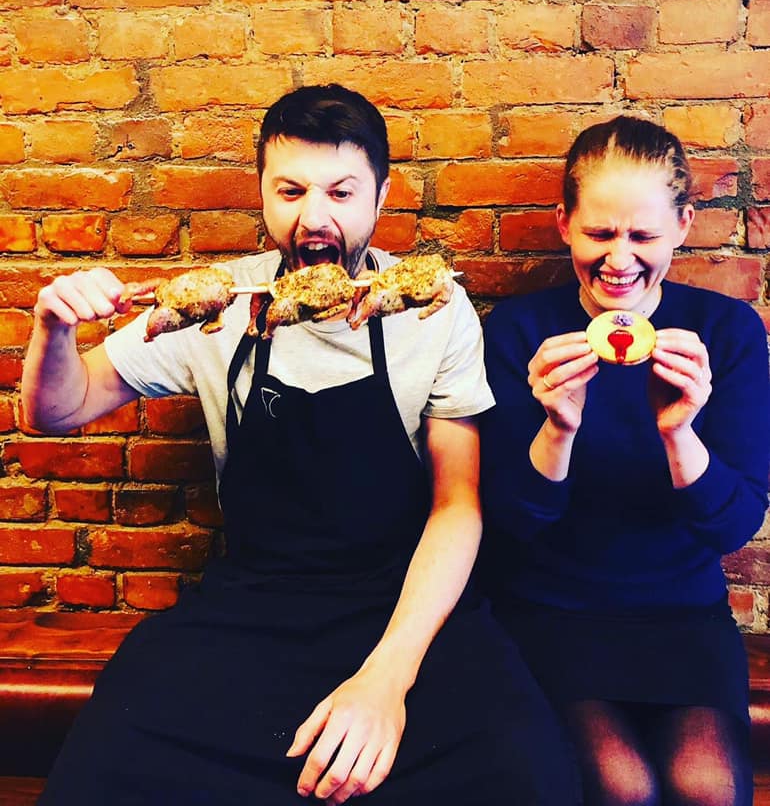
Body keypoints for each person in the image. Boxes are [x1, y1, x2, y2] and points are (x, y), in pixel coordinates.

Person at [22, 84, 577, 805]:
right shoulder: (219, 303)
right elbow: (57, 410)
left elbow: (457, 506)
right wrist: (54, 328)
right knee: (106, 765)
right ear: (262, 193)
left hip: (403, 603)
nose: (314, 218)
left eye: (341, 192)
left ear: (381, 196)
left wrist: (387, 679)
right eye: (290, 191)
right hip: (252, 606)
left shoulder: (433, 308)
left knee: (526, 772)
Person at [480, 114, 770, 806]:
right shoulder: (520, 332)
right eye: (601, 233)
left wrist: (680, 432)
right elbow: (513, 522)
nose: (619, 259)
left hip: (681, 615)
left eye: (643, 236)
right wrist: (558, 426)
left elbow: (733, 526)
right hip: (551, 610)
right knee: (622, 785)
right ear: (564, 224)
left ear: (683, 226)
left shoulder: (725, 332)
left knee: (704, 787)